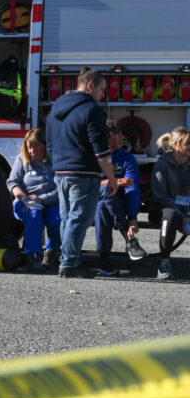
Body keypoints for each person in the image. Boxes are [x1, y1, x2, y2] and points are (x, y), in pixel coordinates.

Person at [45, 67, 117, 278]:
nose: (102, 96)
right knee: (79, 219)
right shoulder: (92, 110)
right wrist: (111, 179)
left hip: (60, 171)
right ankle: (69, 263)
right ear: (90, 85)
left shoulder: (55, 108)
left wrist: (58, 164)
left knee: (67, 218)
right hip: (84, 173)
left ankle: (68, 259)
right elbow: (101, 153)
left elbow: (50, 144)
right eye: (101, 90)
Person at [96, 119, 147, 276]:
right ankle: (130, 241)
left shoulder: (127, 158)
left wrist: (132, 216)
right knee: (105, 191)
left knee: (103, 207)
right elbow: (90, 184)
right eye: (117, 133)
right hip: (90, 203)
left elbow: (132, 188)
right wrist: (115, 181)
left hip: (116, 205)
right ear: (107, 138)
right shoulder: (93, 157)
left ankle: (105, 261)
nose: (122, 137)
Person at [6, 128, 61, 273]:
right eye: (29, 147)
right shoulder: (21, 159)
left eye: (36, 147)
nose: (31, 151)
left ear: (45, 146)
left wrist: (42, 199)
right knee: (34, 214)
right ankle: (33, 256)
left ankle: (51, 252)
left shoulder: (56, 160)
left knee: (56, 220)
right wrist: (24, 198)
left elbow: (62, 188)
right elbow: (13, 182)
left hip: (50, 200)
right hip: (26, 201)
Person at [151, 127, 190, 280]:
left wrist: (188, 214)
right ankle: (164, 262)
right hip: (163, 209)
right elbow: (161, 196)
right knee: (171, 215)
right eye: (188, 143)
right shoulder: (162, 164)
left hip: (187, 211)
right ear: (175, 145)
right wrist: (182, 217)